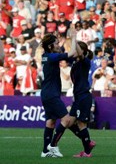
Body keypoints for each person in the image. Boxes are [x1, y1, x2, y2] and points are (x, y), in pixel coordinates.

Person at [40, 30, 77, 158]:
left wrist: (57, 38)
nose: (58, 45)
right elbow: (72, 53)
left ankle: (45, 151)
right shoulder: (51, 57)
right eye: (56, 43)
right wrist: (74, 38)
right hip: (51, 94)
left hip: (46, 93)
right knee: (66, 119)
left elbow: (59, 51)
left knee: (50, 122)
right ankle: (53, 146)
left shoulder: (46, 55)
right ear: (50, 46)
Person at [68, 41, 96, 157]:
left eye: (76, 49)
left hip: (84, 96)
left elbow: (80, 53)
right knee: (69, 122)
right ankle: (87, 141)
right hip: (77, 97)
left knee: (81, 124)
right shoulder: (75, 62)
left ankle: (87, 152)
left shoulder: (85, 62)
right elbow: (68, 55)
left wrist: (74, 39)